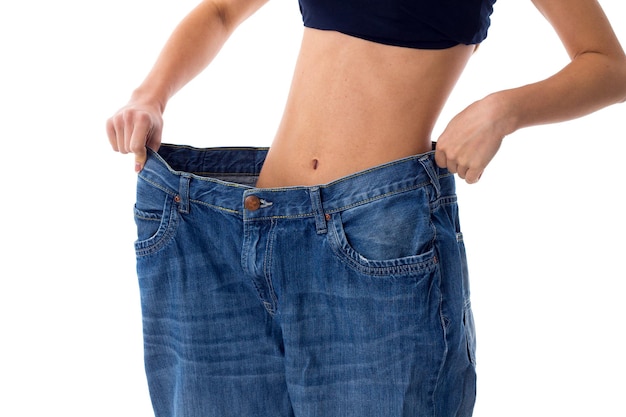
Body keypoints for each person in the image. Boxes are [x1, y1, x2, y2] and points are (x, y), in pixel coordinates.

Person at [106, 0, 626, 416]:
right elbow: (221, 11)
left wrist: (503, 110)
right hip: (229, 229)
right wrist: (150, 94)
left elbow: (608, 65)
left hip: (374, 239)